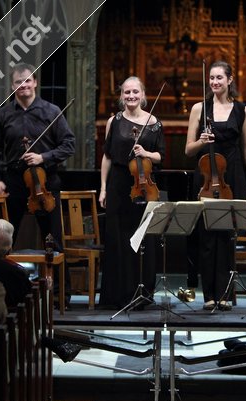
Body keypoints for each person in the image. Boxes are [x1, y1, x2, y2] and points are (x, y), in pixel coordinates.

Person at [184, 60, 246, 310]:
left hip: (232, 175)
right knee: (206, 236)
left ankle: (226, 294)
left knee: (226, 236)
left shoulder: (243, 111)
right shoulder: (199, 109)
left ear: (229, 80)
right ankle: (209, 296)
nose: (214, 82)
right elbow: (188, 150)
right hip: (206, 175)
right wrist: (202, 141)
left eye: (219, 78)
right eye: (211, 78)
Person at [0, 62, 75, 252]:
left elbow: (69, 145)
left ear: (35, 82)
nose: (23, 85)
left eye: (27, 80)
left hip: (46, 183)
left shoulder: (52, 111)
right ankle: (6, 280)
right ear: (12, 86)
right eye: (18, 82)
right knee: (4, 241)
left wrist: (43, 157)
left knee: (53, 241)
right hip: (14, 182)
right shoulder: (3, 114)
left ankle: (57, 282)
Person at [98, 76, 165, 309]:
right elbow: (107, 156)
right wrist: (103, 188)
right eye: (127, 92)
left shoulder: (154, 122)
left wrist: (146, 153)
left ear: (143, 95)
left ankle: (143, 293)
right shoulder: (113, 121)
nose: (131, 96)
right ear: (121, 95)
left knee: (142, 238)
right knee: (118, 238)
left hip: (144, 186)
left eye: (135, 92)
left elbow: (160, 157)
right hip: (118, 184)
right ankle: (117, 295)